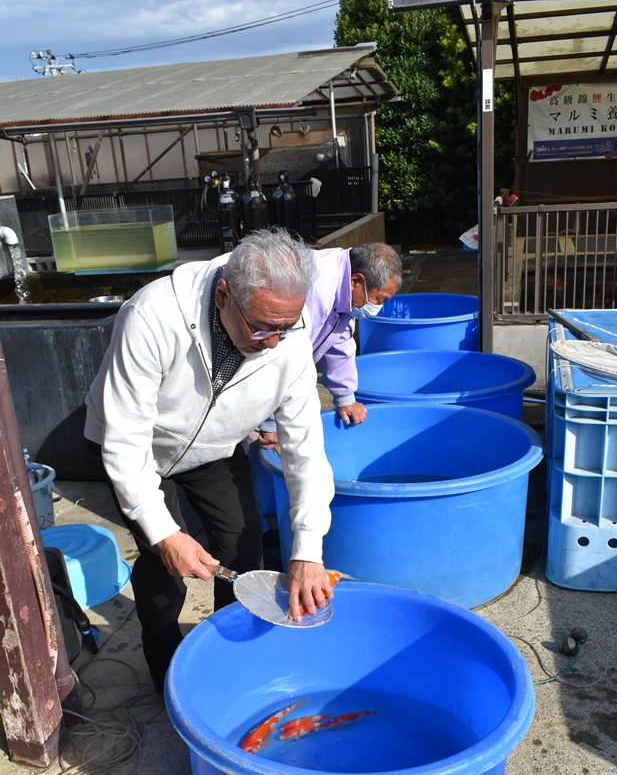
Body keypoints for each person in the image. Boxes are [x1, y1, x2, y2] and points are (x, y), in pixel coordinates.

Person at [84, 229, 335, 691]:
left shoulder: (288, 340)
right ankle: (165, 672)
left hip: (215, 449)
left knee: (244, 549)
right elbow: (124, 441)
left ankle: (230, 661)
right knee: (166, 569)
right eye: (262, 327)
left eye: (287, 326)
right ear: (223, 295)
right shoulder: (152, 315)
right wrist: (164, 533)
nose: (275, 342)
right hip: (142, 449)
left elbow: (305, 451)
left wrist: (308, 552)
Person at [257, 242, 403, 449]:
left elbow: (338, 340)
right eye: (378, 299)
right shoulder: (316, 290)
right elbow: (279, 357)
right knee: (253, 452)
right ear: (357, 281)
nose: (378, 307)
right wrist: (271, 422)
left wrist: (346, 397)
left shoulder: (343, 284)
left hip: (270, 380)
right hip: (248, 373)